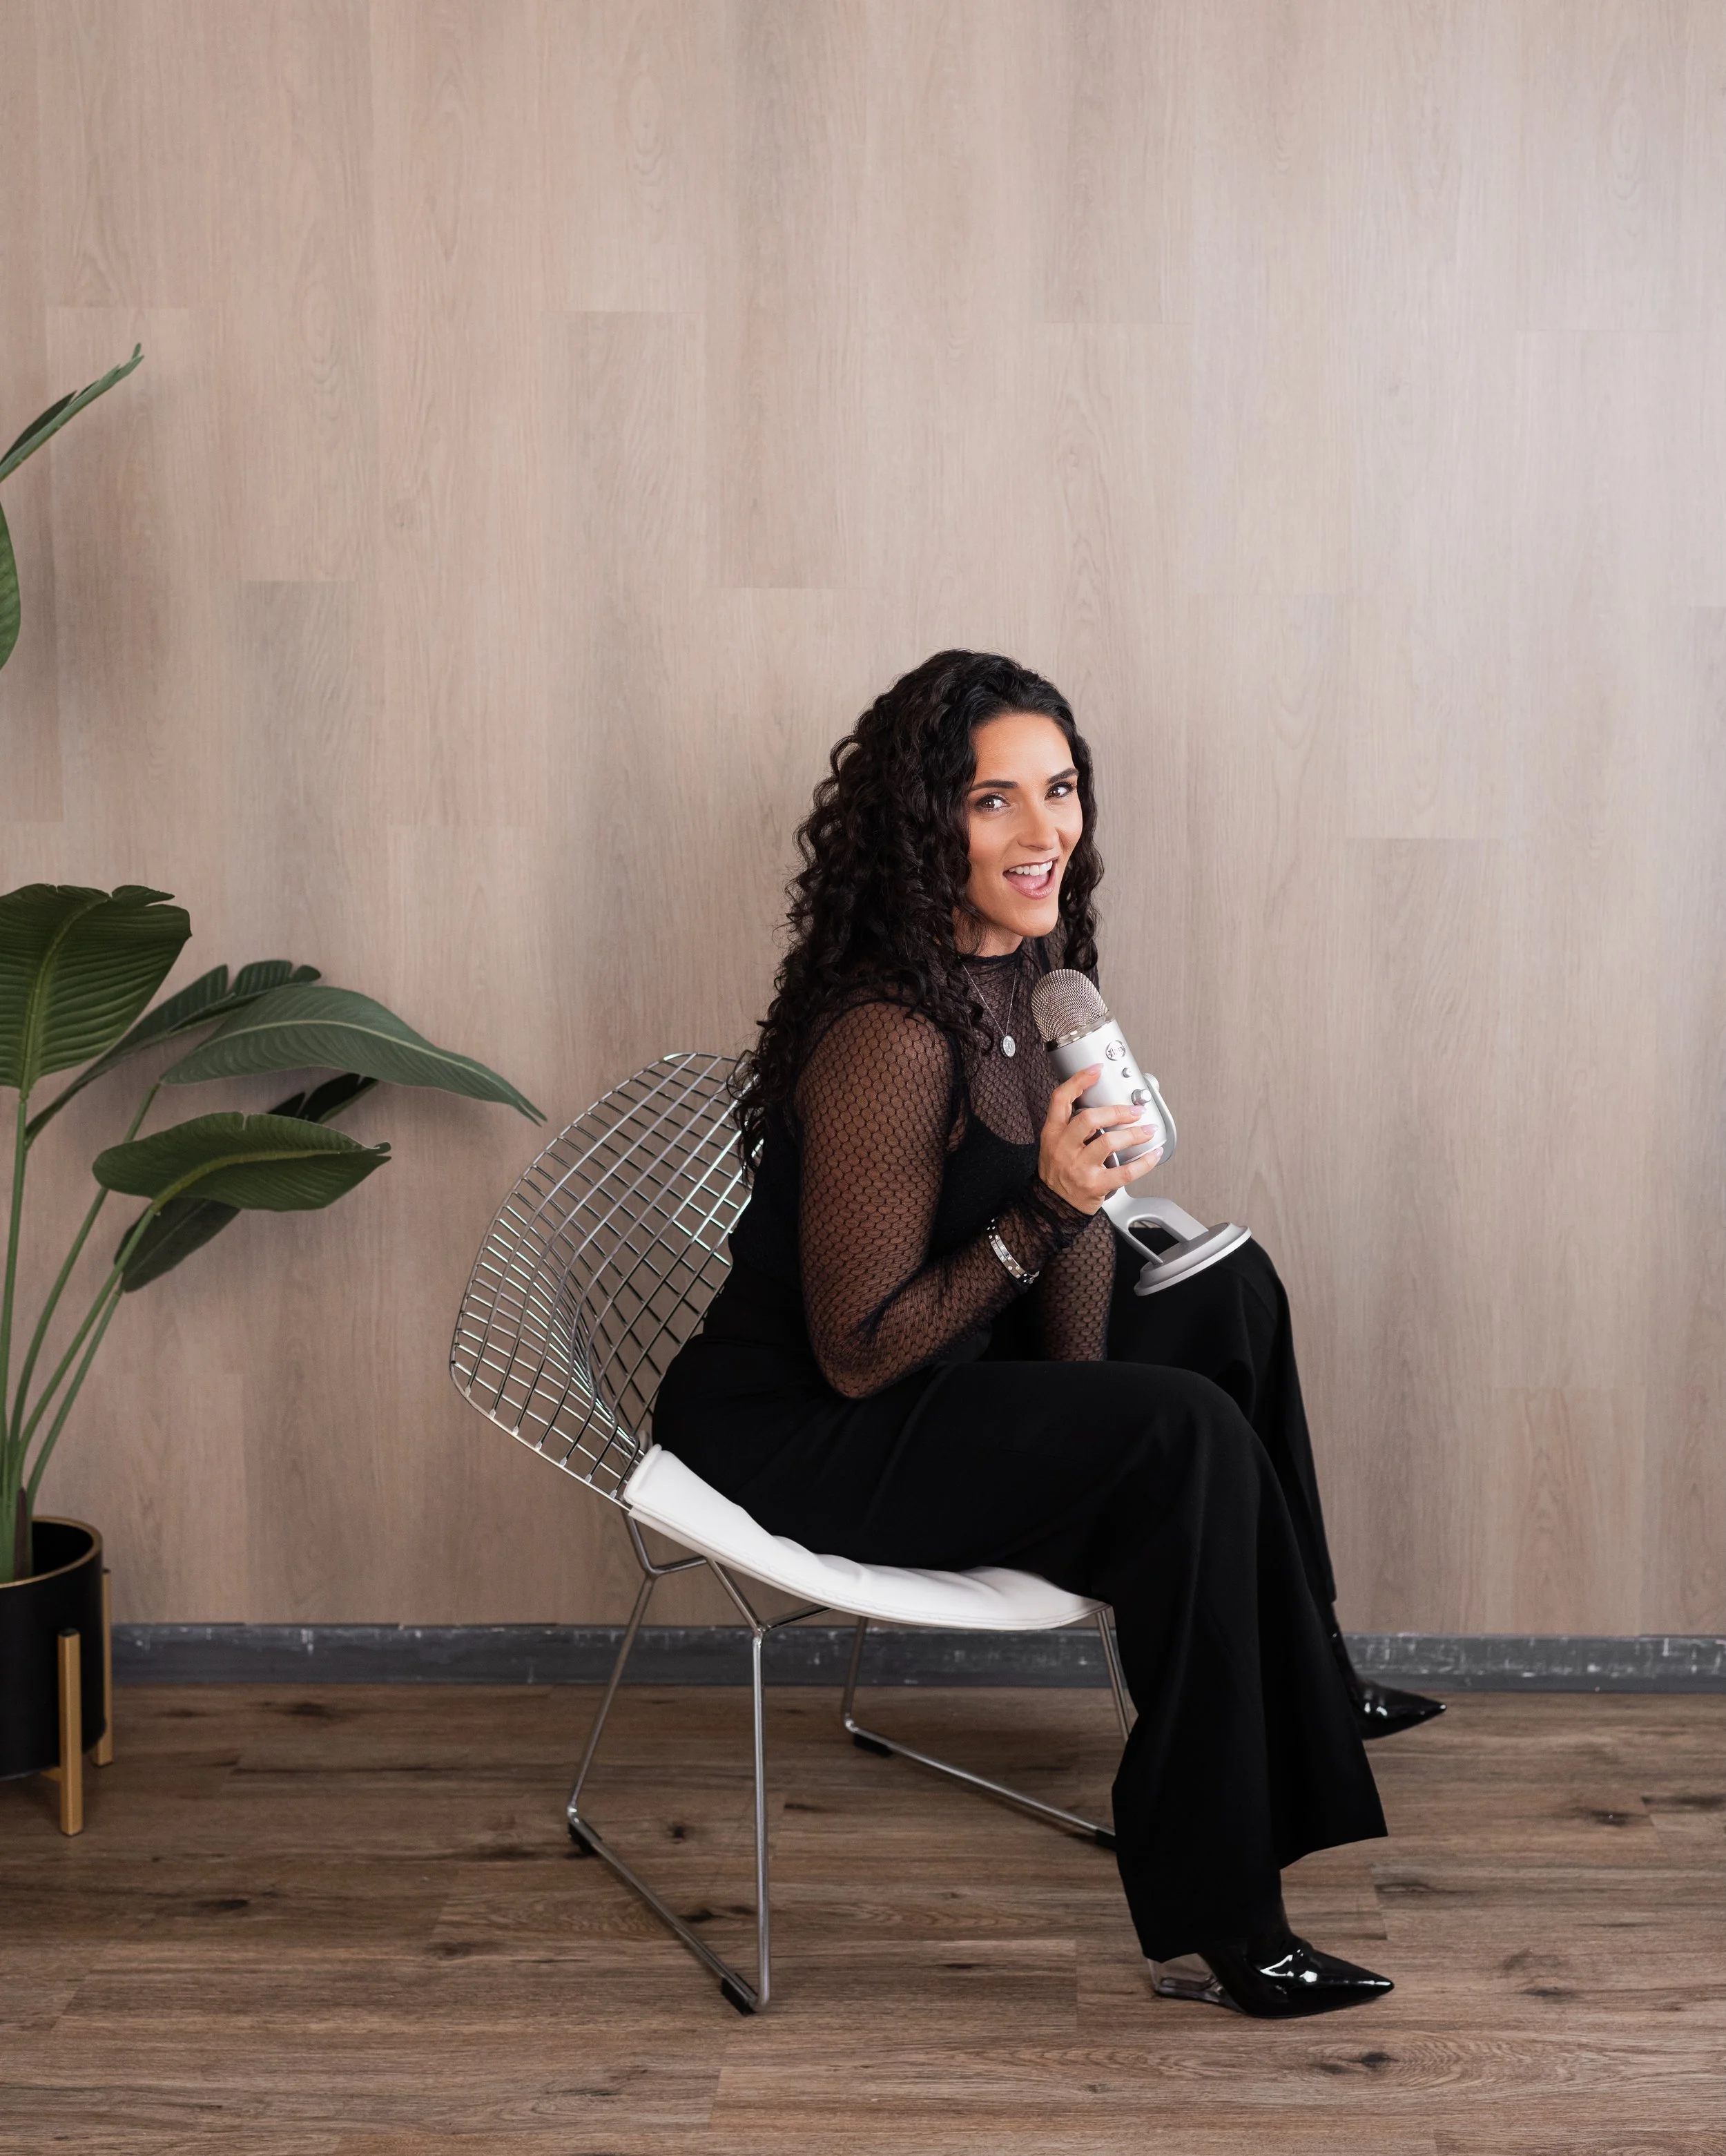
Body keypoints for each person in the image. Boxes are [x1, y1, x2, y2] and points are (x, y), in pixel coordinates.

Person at [654, 651, 1424, 2019]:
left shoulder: (1032, 976)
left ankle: (1300, 1663)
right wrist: (1050, 1214)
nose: (1041, 830)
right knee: (1181, 1436)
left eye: (1057, 789)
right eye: (991, 799)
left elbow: (1061, 1313)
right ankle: (1231, 1925)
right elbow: (855, 1351)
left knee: (1227, 1294)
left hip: (944, 1354)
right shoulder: (892, 1035)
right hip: (805, 1424)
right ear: (924, 825)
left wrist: (1082, 1264)